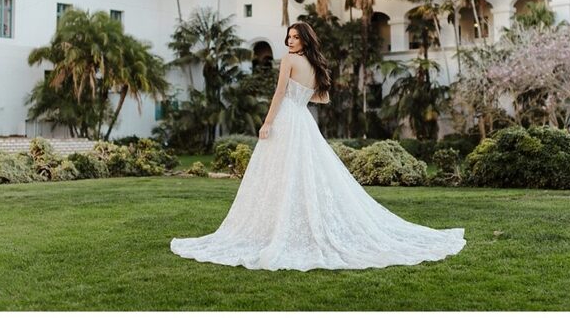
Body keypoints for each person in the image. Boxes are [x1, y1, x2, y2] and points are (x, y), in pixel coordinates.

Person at [170, 21, 465, 271]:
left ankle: (276, 227)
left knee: (280, 170)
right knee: (301, 170)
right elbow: (322, 98)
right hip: (303, 119)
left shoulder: (288, 60)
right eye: (289, 36)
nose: (290, 40)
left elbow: (278, 94)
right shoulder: (313, 64)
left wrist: (267, 122)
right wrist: (300, 98)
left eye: (295, 37)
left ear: (304, 40)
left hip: (287, 118)